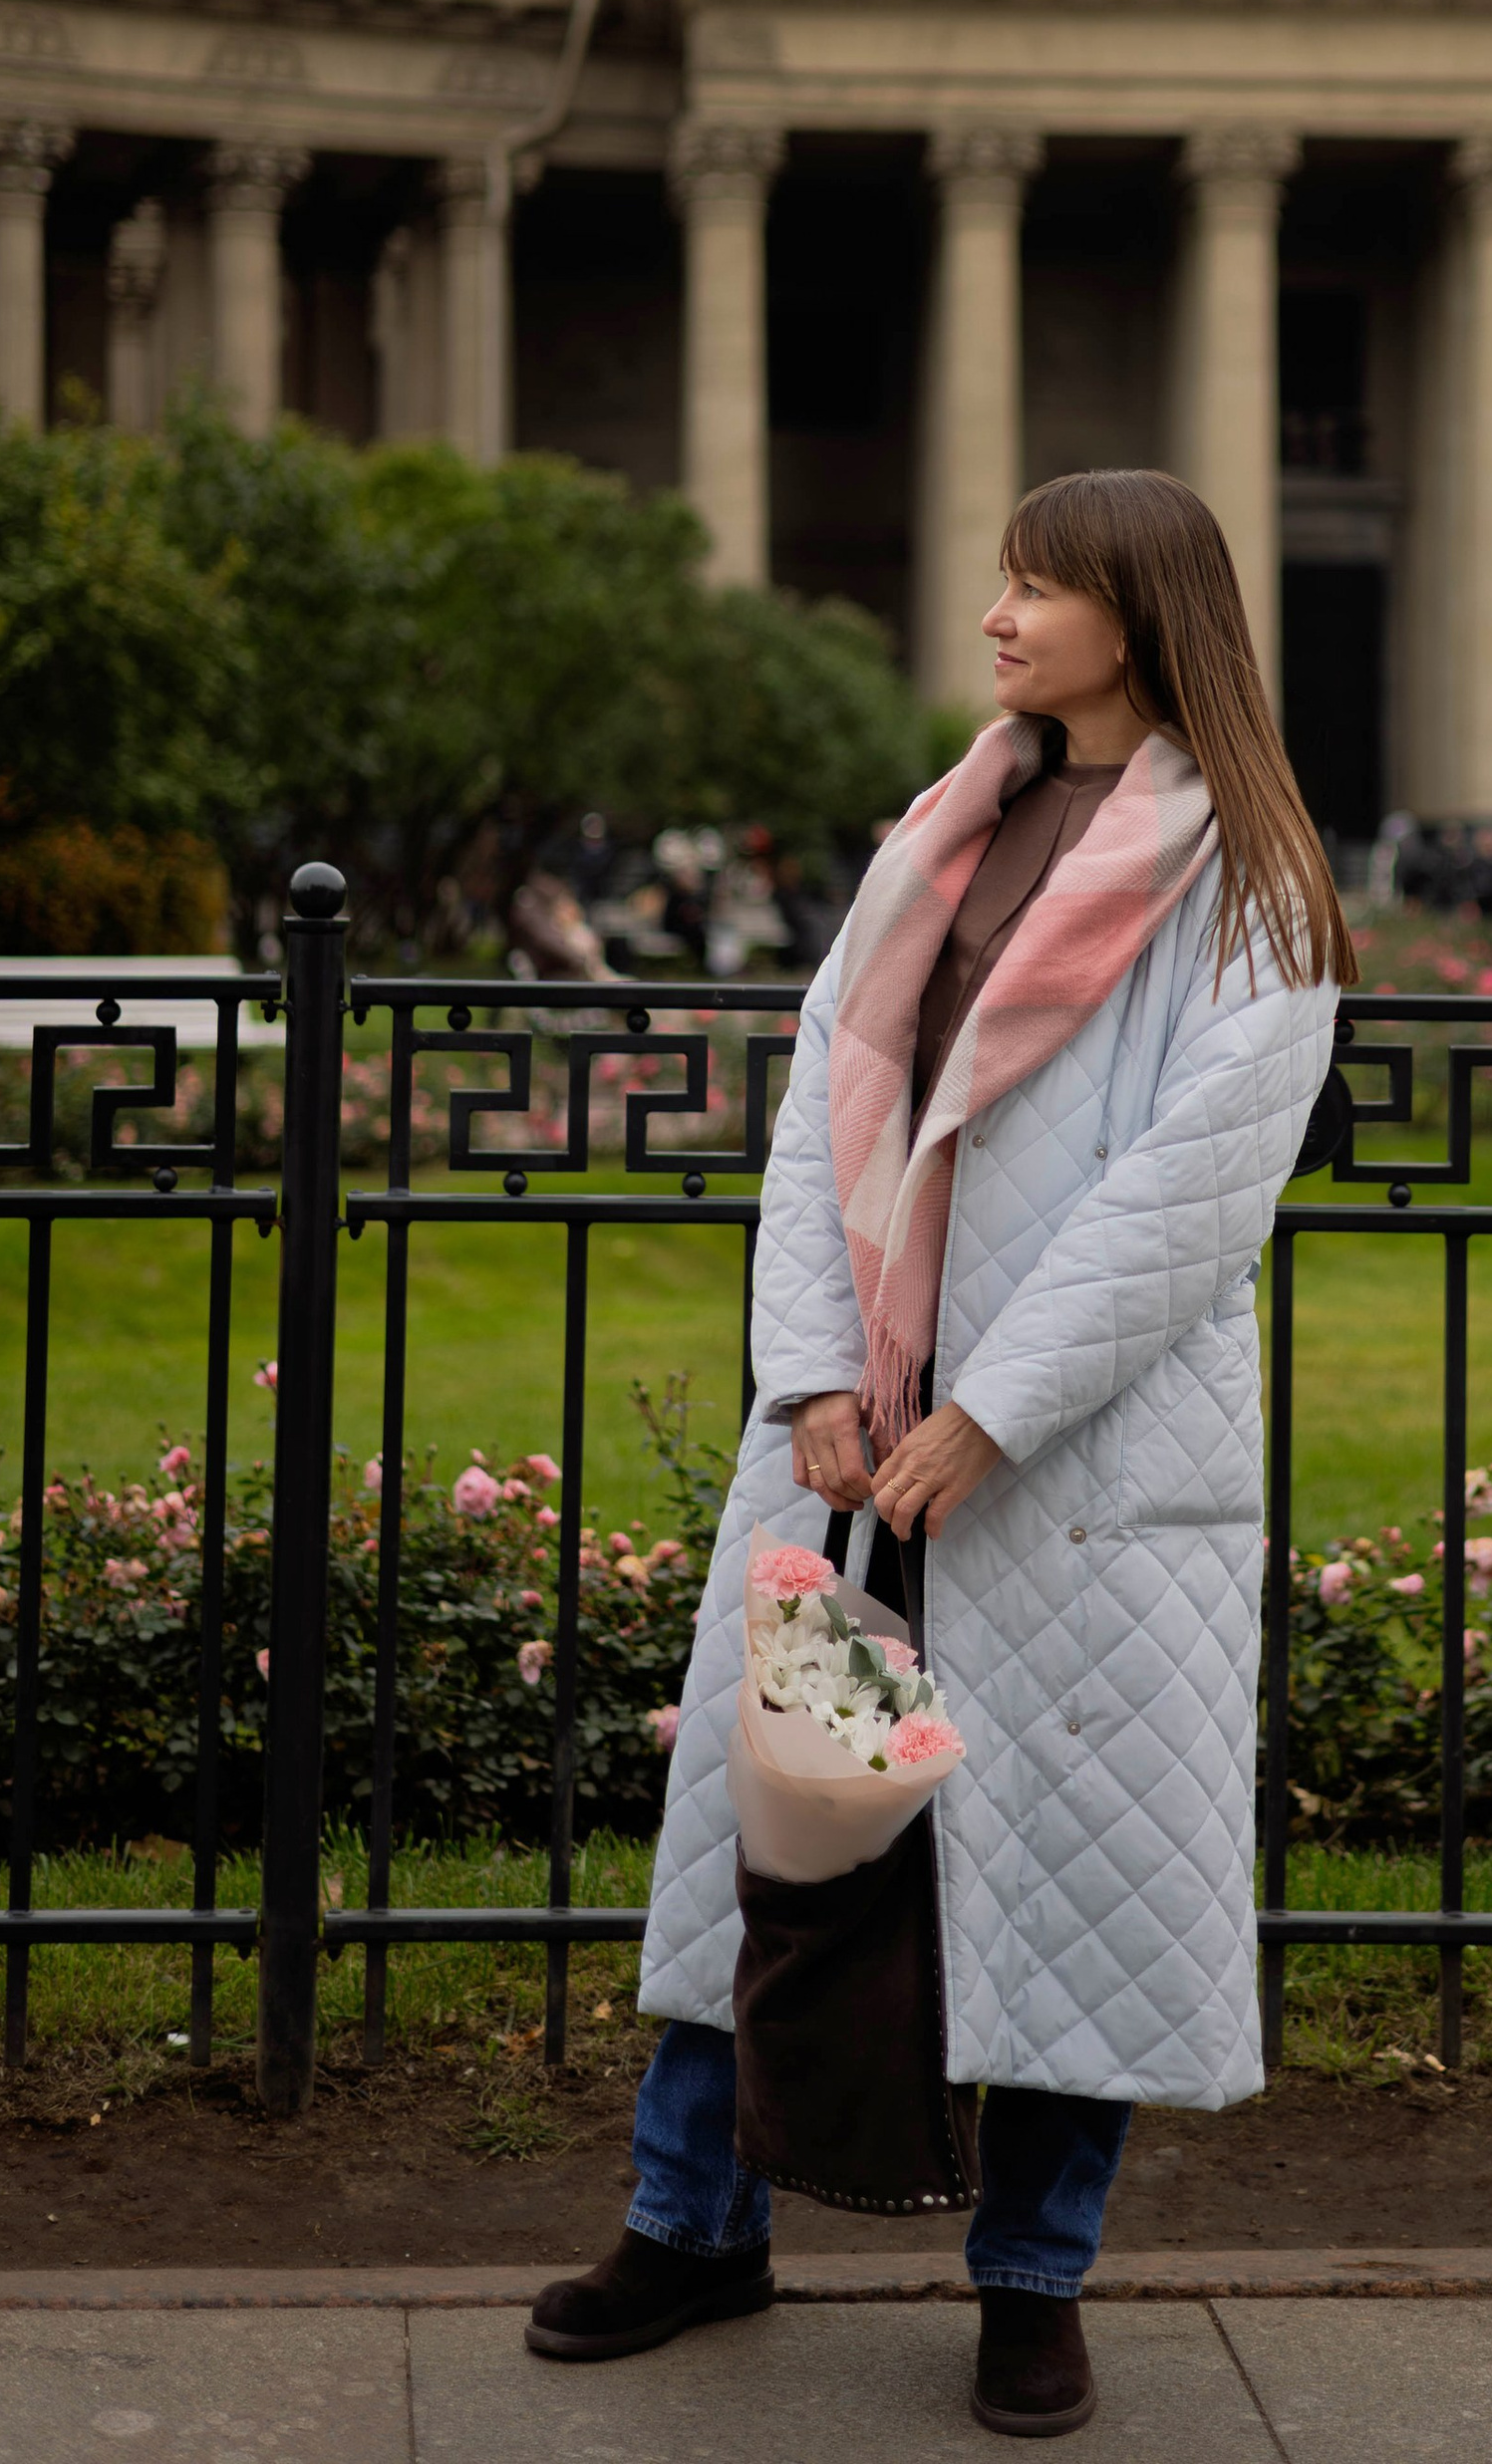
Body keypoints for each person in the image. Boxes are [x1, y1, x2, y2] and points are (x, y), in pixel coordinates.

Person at [528, 469, 1348, 2439]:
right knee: (774, 1840)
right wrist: (815, 1372)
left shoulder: (1247, 874)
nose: (994, 614)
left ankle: (1030, 2286)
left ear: (1138, 619)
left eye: (1035, 584)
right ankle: (689, 2223)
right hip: (858, 1452)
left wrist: (993, 1408)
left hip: (1077, 1468)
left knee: (1075, 1876)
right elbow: (830, 1094)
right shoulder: (944, 828)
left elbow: (1195, 1186)